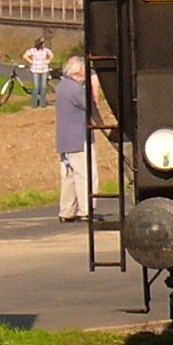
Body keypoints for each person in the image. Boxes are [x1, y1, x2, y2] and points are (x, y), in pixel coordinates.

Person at [54, 54, 111, 222]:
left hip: (64, 139)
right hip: (79, 138)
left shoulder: (61, 86)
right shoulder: (77, 89)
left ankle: (66, 211)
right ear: (80, 71)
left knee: (68, 176)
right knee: (85, 174)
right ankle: (86, 210)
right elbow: (91, 105)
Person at [24, 36, 55, 108]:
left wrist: (48, 60)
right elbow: (25, 56)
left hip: (44, 69)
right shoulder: (33, 50)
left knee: (43, 86)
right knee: (36, 86)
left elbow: (52, 55)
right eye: (42, 43)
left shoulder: (45, 50)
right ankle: (34, 103)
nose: (44, 44)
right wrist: (31, 61)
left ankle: (43, 103)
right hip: (35, 69)